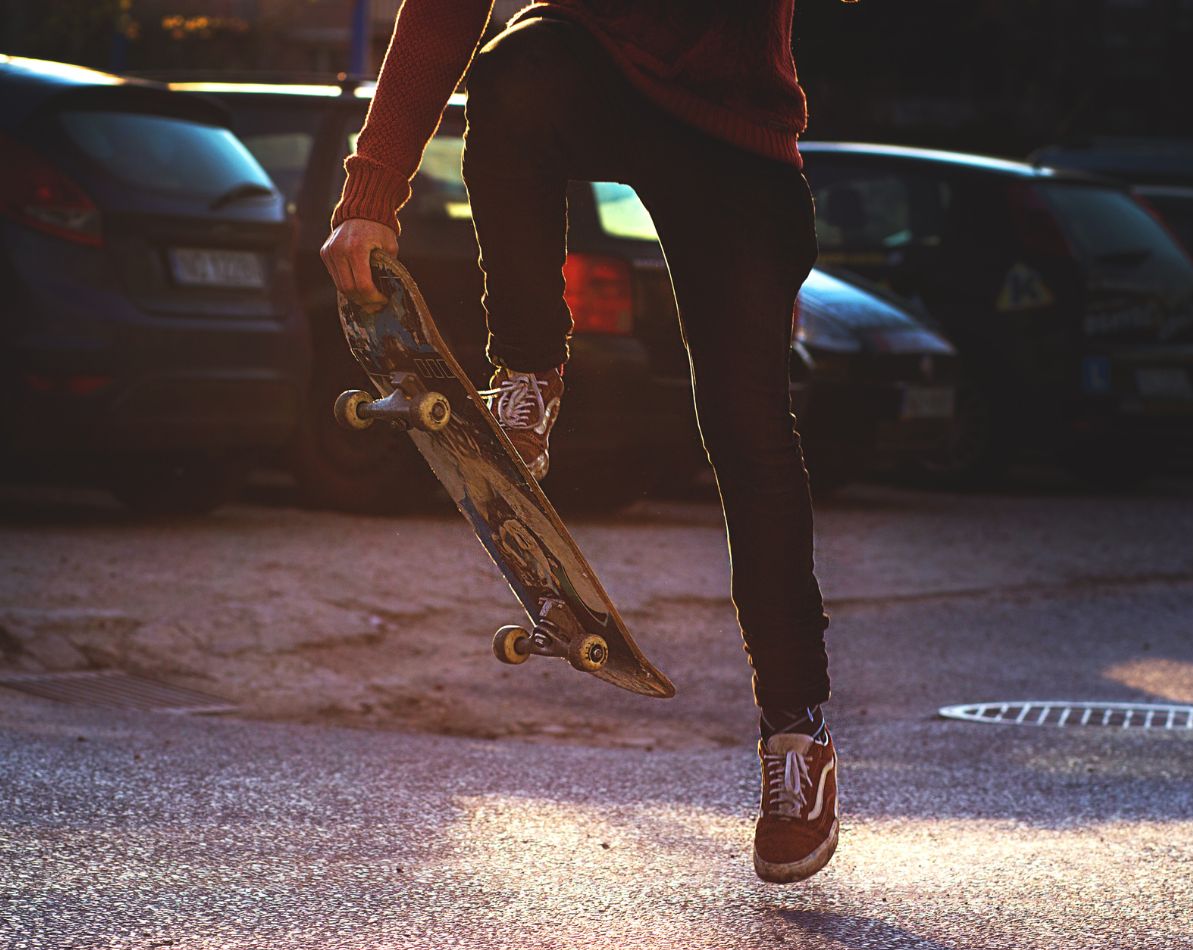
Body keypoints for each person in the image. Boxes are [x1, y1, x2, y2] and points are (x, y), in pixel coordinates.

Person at [321, 0, 838, 883]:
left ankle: (797, 733)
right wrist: (371, 197)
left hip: (739, 135)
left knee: (747, 432)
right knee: (519, 69)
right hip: (595, 75)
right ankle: (529, 372)